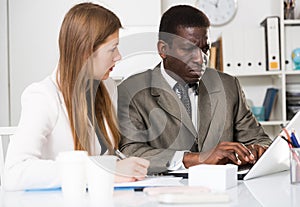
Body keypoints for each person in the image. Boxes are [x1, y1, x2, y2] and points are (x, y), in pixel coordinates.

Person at [3, 2, 149, 191]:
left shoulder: (108, 88)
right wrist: (103, 170)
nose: (119, 56)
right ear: (85, 52)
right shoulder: (42, 96)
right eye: (112, 49)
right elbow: (15, 173)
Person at [117, 5, 272, 174]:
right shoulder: (131, 91)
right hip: (164, 194)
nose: (200, 59)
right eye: (188, 49)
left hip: (223, 192)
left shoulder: (228, 86)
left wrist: (258, 151)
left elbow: (260, 140)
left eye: (205, 49)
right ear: (163, 50)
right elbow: (130, 152)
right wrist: (196, 159)